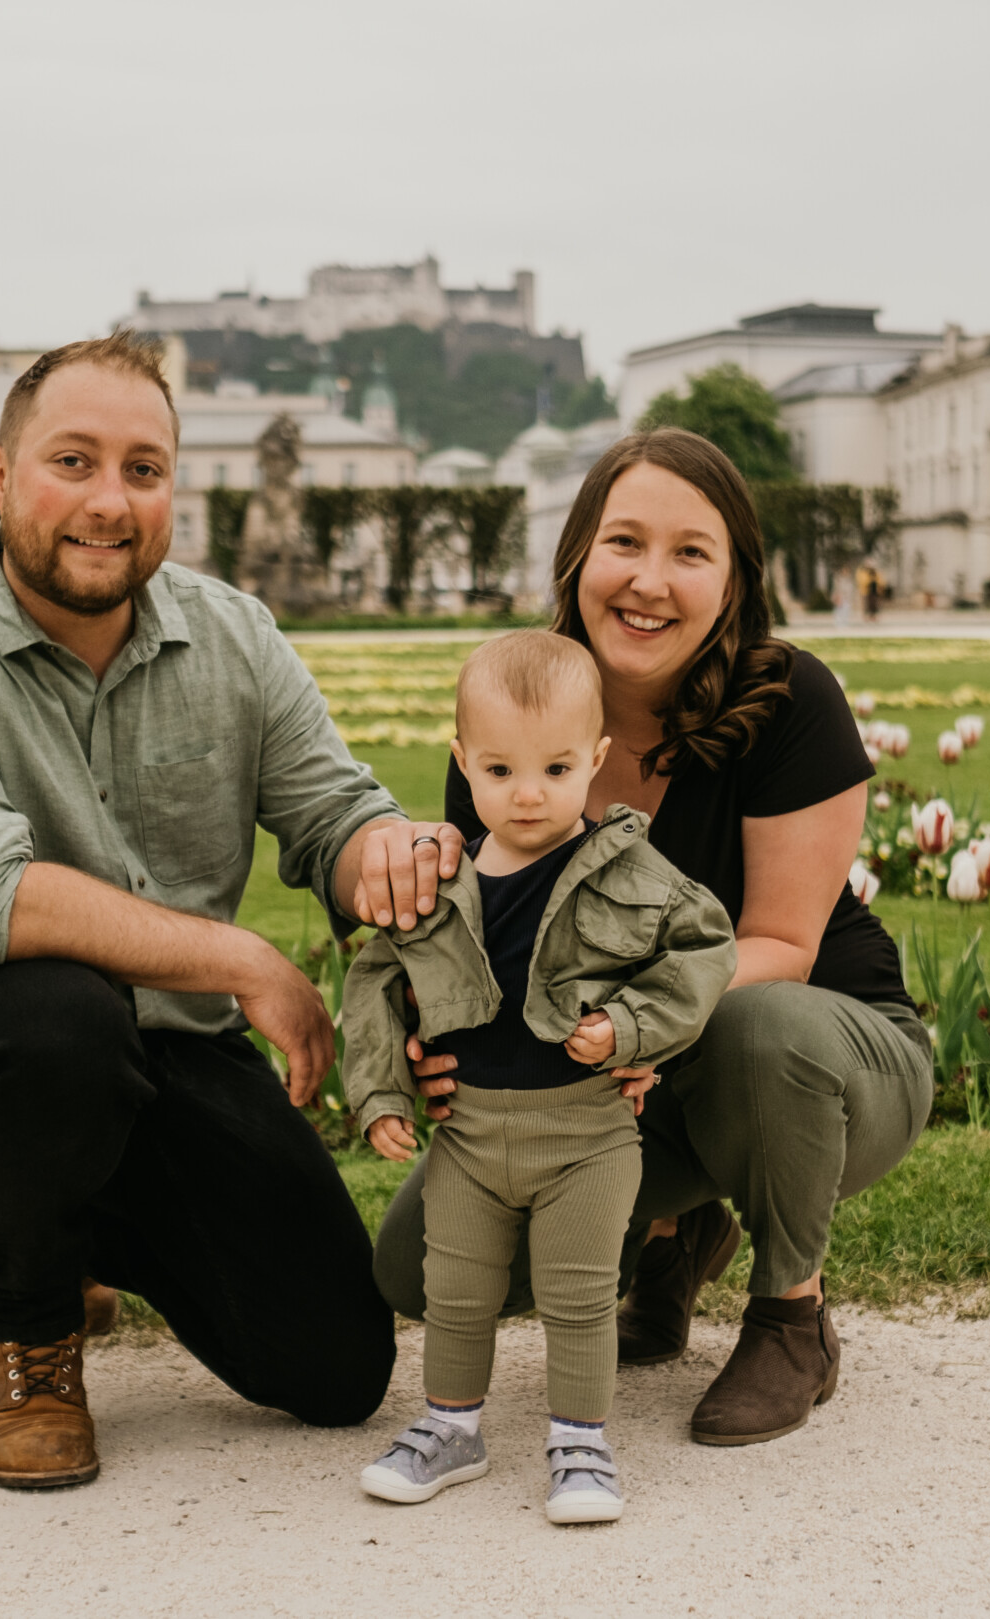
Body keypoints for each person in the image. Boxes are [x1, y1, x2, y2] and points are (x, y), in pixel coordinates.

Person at [0, 333, 463, 1491]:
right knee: (56, 1021)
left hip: (171, 1042)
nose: (108, 502)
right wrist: (236, 956)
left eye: (143, 469)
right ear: (0, 476)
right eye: (71, 462)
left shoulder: (232, 634)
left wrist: (397, 859)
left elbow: (332, 812)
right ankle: (30, 1332)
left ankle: (73, 1215)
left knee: (334, 1369)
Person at [371, 427, 935, 1448]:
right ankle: (674, 1235)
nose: (649, 580)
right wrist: (445, 1044)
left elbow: (778, 945)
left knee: (761, 1027)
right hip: (613, 1070)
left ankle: (790, 1316)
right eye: (624, 542)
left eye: (690, 552)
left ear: (733, 580)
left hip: (824, 1055)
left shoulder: (791, 703)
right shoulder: (518, 713)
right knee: (414, 1262)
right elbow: (496, 943)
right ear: (578, 552)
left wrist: (630, 1025)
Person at [344, 632, 735, 1524]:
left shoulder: (628, 868)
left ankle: (581, 1441)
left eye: (558, 768)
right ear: (461, 764)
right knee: (457, 1287)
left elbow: (706, 948)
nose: (530, 793)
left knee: (579, 1291)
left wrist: (635, 1027)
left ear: (596, 760)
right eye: (501, 768)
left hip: (587, 1133)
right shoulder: (441, 882)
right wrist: (379, 1093)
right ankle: (452, 1427)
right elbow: (373, 982)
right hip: (472, 1135)